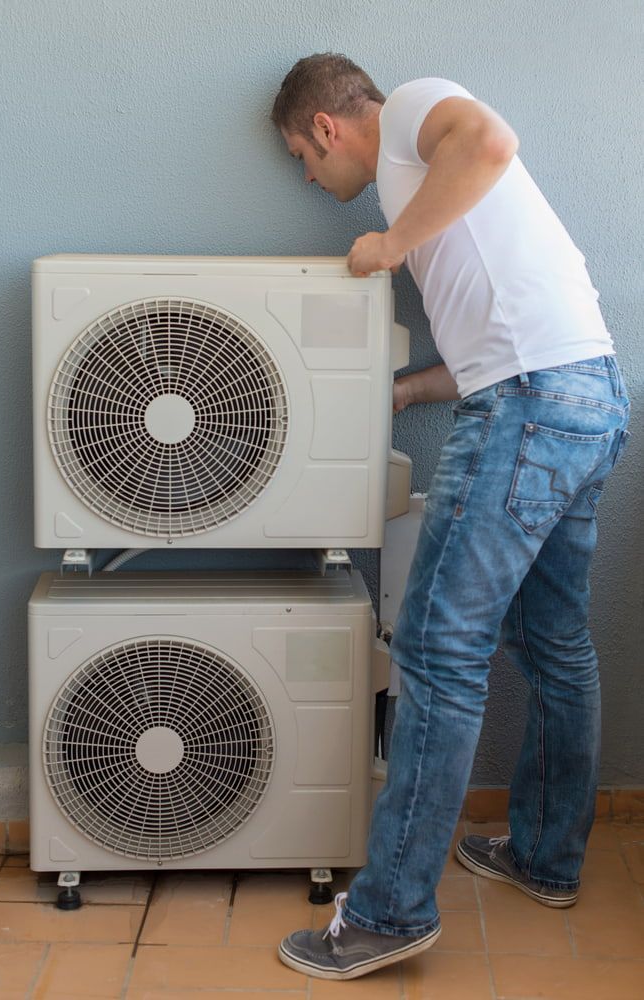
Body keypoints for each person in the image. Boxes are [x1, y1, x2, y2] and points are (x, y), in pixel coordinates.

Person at [270, 53, 630, 981]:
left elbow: (489, 140)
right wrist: (410, 389)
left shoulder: (414, 112)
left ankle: (388, 914)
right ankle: (545, 859)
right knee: (553, 642)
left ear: (325, 125)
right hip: (583, 394)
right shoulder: (418, 188)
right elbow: (499, 335)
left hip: (529, 406)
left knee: (435, 646)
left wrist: (389, 249)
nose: (311, 181)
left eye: (301, 160)